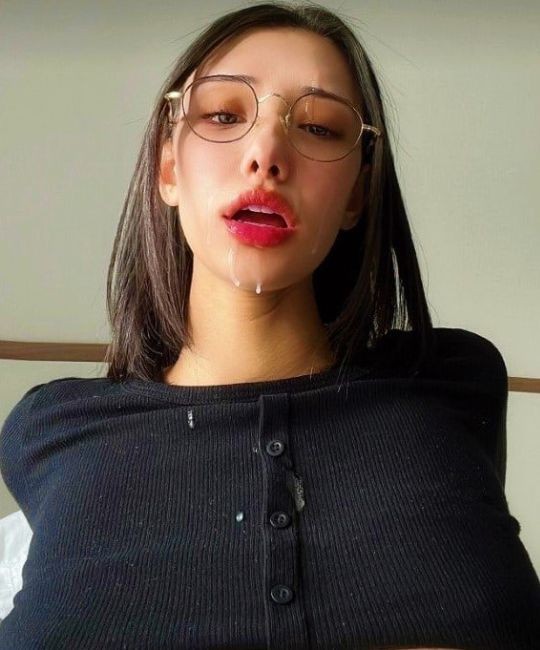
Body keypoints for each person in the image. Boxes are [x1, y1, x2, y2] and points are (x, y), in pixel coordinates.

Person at [0, 2, 539, 648]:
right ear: (168, 168)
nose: (266, 153)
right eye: (223, 115)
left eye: (318, 127)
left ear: (357, 194)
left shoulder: (453, 386)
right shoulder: (55, 431)